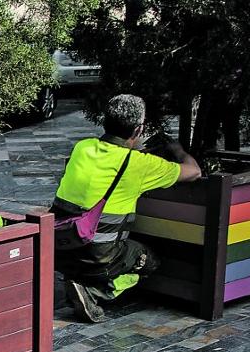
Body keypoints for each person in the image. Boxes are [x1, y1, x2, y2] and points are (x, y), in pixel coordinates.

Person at [51, 93, 201, 323]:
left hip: (61, 248)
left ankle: (80, 282)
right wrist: (177, 149)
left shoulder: (83, 148)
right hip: (98, 257)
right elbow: (194, 172)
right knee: (148, 260)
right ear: (138, 130)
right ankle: (95, 291)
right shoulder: (141, 165)